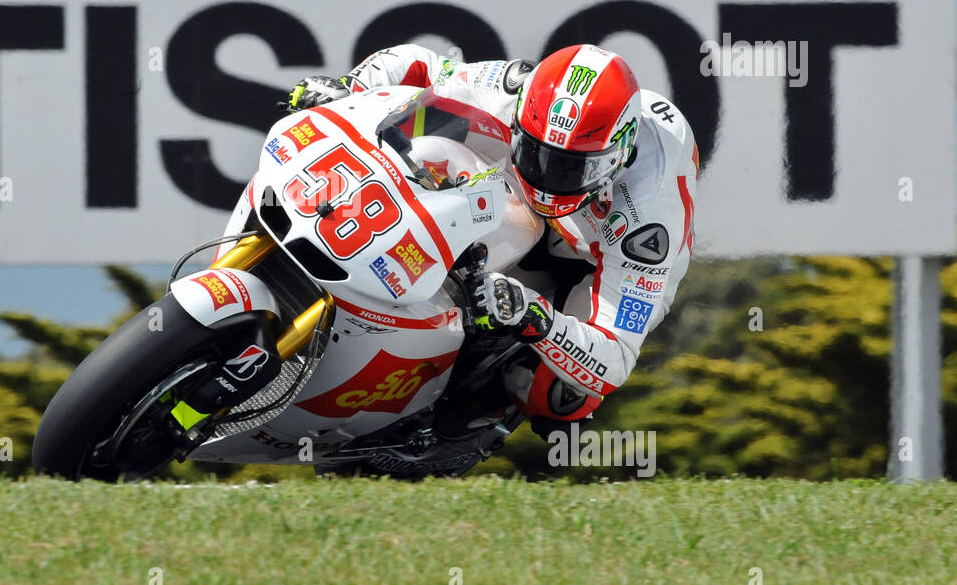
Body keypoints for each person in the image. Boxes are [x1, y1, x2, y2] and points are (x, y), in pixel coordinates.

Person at [284, 43, 698, 437]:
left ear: (616, 156)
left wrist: (532, 316)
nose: (548, 178)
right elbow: (418, 66)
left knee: (562, 394)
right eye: (535, 152)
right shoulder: (511, 88)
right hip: (514, 198)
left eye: (571, 169)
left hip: (596, 252)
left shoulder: (647, 223)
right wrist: (348, 88)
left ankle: (453, 423)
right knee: (435, 158)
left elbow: (615, 360)